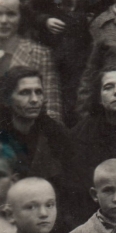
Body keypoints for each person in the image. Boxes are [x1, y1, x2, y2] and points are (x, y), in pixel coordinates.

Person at [31, 0, 114, 123]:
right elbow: (30, 11)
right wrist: (45, 20)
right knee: (50, 103)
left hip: (83, 58)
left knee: (78, 104)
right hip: (51, 55)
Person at [0, 67, 72, 206]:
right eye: (25, 93)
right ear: (7, 99)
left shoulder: (56, 135)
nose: (34, 100)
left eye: (38, 92)